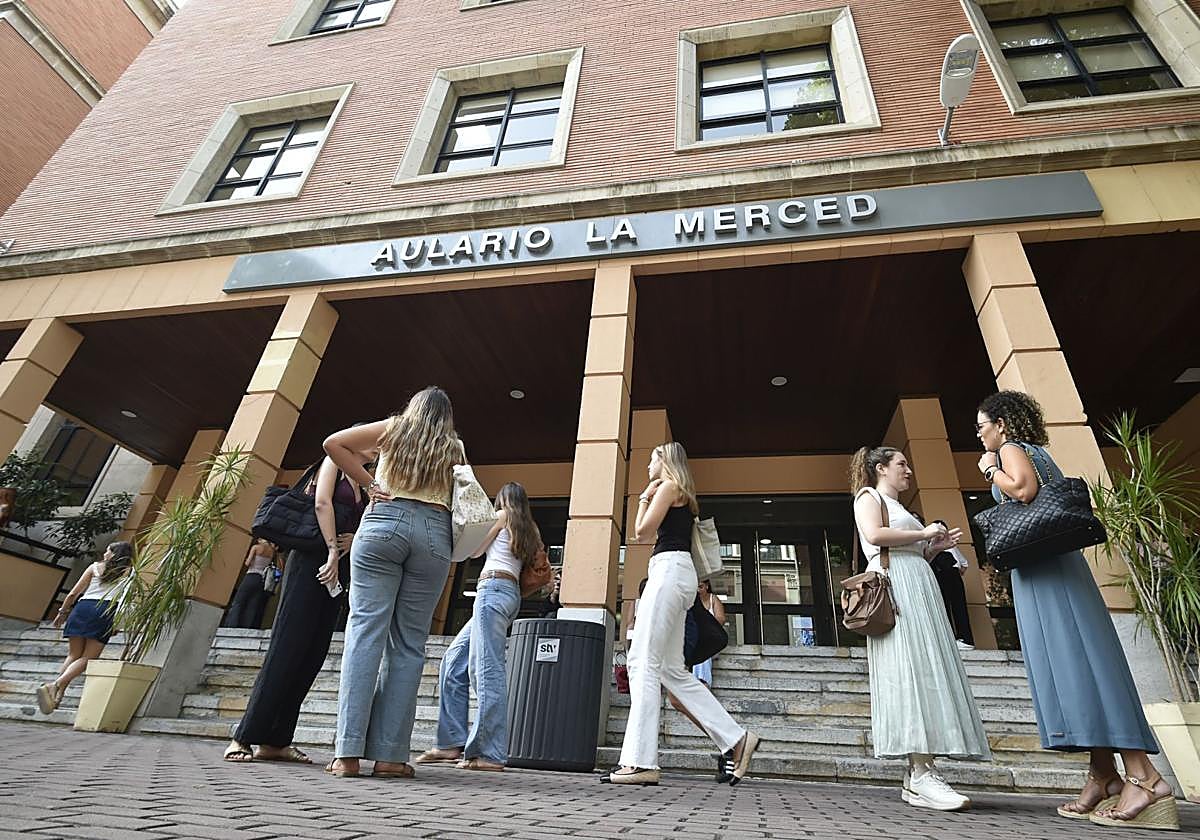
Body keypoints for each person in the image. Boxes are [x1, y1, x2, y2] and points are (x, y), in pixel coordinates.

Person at [976, 391, 1175, 830]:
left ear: (1003, 424)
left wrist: (992, 469)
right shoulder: (1037, 452)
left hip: (1048, 573)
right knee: (1076, 665)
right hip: (1051, 568)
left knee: (1083, 664)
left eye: (982, 425)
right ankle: (1102, 774)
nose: (980, 433)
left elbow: (1024, 491)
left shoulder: (1010, 451)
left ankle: (1145, 777)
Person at [322, 386, 465, 779]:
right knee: (409, 643)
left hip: (385, 521)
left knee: (365, 632)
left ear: (413, 408)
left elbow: (333, 444)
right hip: (435, 534)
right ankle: (389, 757)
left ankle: (346, 755)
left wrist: (369, 484)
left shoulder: (393, 429)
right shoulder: (455, 447)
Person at [605, 442, 759, 787]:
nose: (647, 465)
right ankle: (736, 738)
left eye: (651, 459)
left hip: (668, 571)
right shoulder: (680, 492)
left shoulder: (669, 487)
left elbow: (642, 532)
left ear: (666, 461)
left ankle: (640, 762)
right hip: (676, 574)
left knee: (642, 661)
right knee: (672, 669)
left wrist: (645, 496)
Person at [850, 446, 991, 811]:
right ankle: (921, 771)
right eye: (901, 464)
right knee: (909, 673)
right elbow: (874, 535)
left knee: (927, 673)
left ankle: (920, 775)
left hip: (918, 585)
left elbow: (911, 551)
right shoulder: (869, 497)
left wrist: (934, 546)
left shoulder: (902, 509)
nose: (908, 470)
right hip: (897, 588)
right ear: (881, 468)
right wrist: (924, 533)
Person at [222, 451, 370, 764]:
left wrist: (353, 540)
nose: (378, 448)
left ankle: (277, 739)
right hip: (312, 560)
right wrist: (332, 550)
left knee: (312, 653)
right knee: (286, 649)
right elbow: (321, 503)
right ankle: (243, 736)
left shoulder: (363, 481)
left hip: (338, 570)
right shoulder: (335, 461)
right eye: (373, 443)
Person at [416, 482, 541, 771]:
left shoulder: (502, 517)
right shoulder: (530, 530)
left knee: (486, 670)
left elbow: (475, 552)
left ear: (503, 500)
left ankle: (489, 753)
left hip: (492, 591)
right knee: (453, 662)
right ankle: (450, 743)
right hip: (508, 596)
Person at [38, 541, 134, 714]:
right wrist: (118, 622)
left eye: (108, 551)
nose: (105, 554)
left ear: (114, 553)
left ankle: (57, 696)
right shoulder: (129, 573)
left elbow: (73, 593)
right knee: (88, 658)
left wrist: (62, 612)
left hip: (82, 608)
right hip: (105, 611)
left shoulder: (94, 567)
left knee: (73, 654)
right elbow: (126, 600)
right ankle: (55, 686)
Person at [221, 539, 279, 630]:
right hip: (261, 579)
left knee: (239, 601)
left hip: (251, 576)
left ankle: (231, 625)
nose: (258, 540)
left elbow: (248, 563)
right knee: (253, 604)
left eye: (259, 539)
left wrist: (248, 560)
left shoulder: (256, 547)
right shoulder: (271, 551)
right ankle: (247, 627)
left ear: (262, 540)